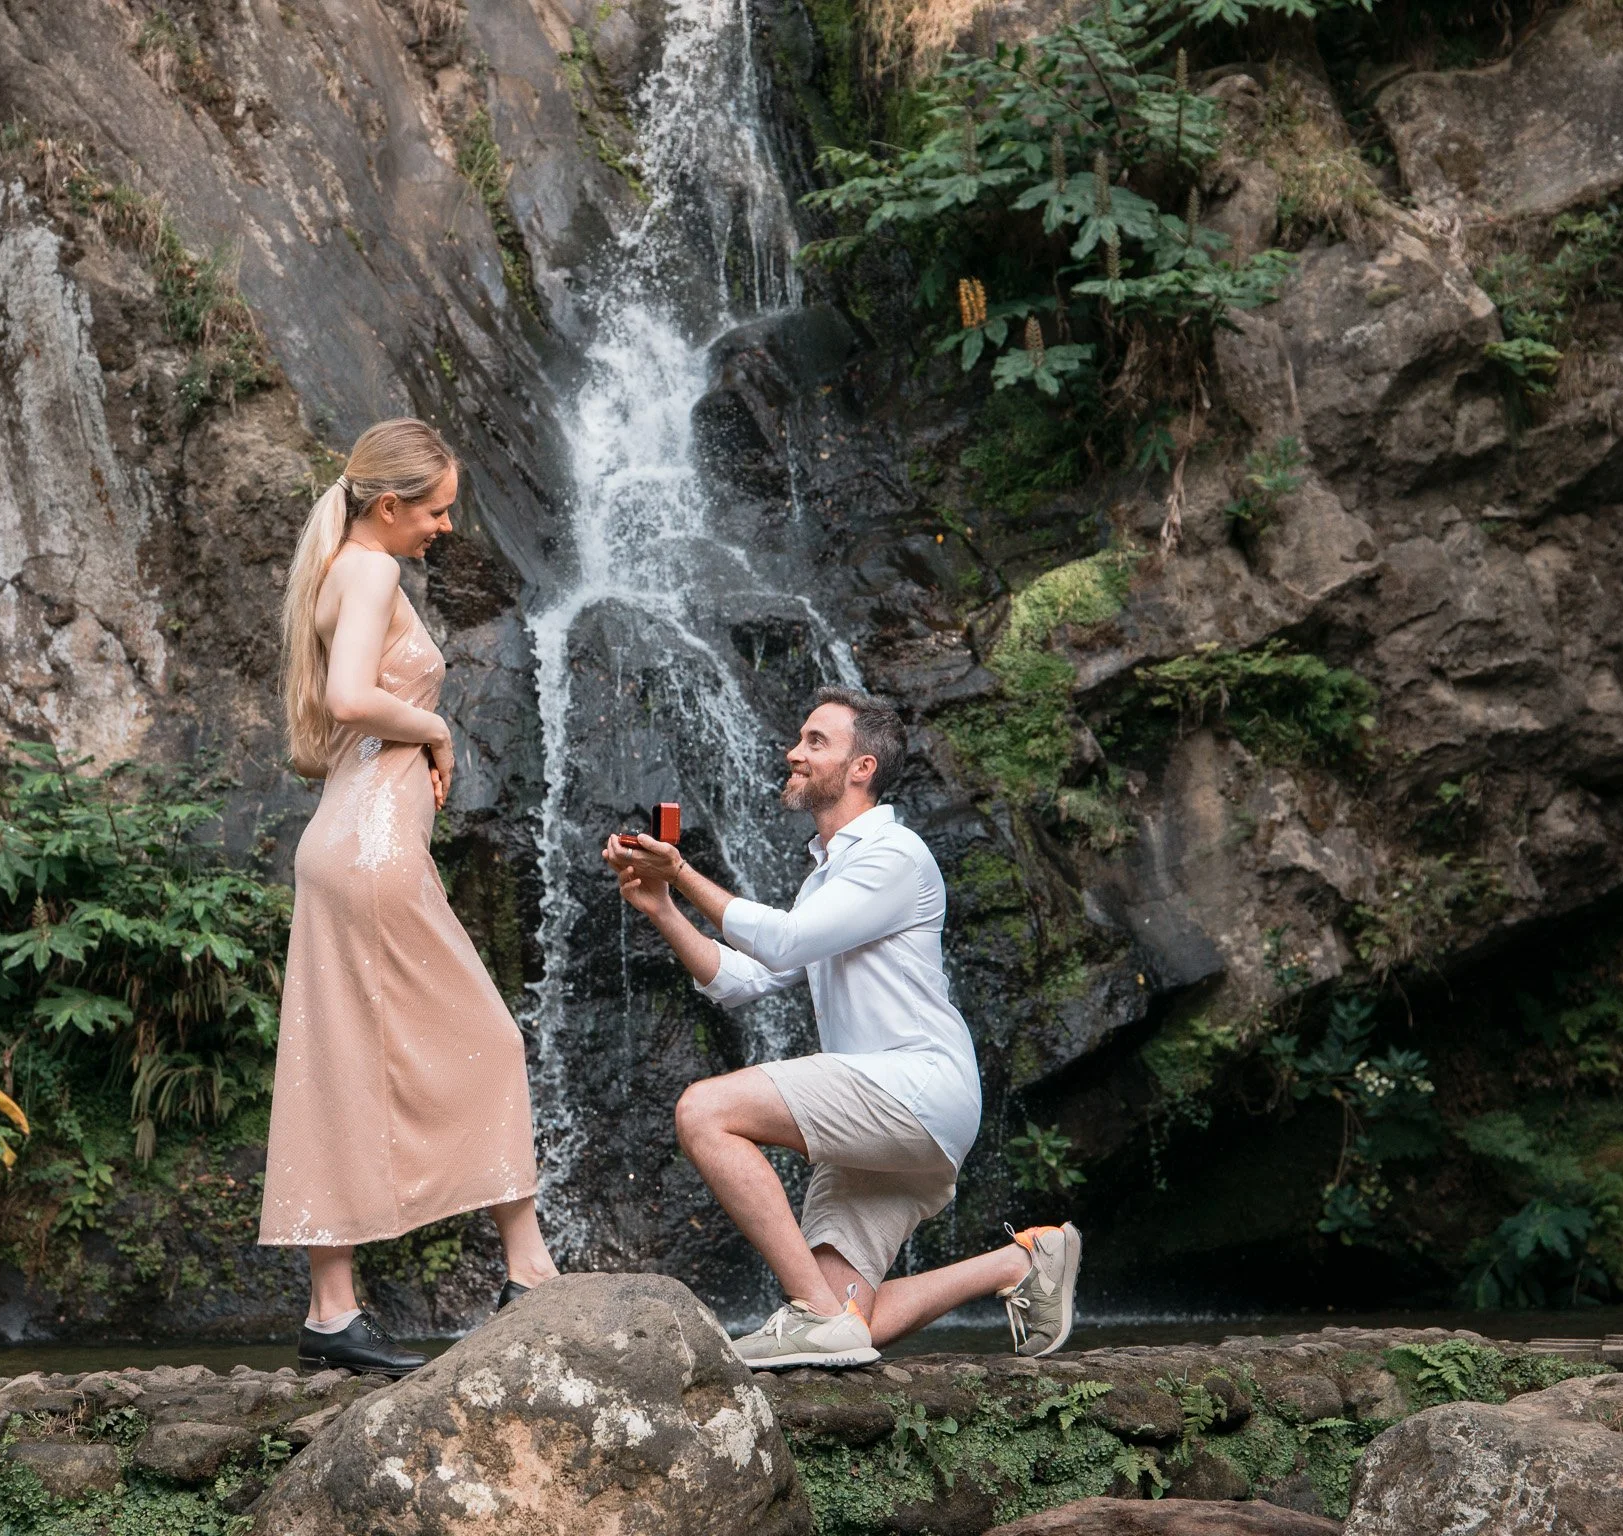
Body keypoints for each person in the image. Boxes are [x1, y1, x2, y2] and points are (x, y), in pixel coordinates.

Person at [603, 687, 1080, 1368]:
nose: (794, 753)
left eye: (816, 742)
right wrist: (662, 907)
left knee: (705, 1111)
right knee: (856, 1319)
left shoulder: (894, 856)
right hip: (888, 1128)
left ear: (862, 768)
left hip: (914, 1089)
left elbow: (789, 942)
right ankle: (1022, 1260)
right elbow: (747, 982)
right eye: (800, 739)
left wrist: (681, 870)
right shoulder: (827, 877)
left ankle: (811, 1316)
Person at [260, 418, 559, 1375]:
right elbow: (351, 698)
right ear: (388, 505)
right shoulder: (374, 572)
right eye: (434, 511)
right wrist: (434, 724)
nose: (443, 527)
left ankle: (330, 1312)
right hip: (374, 847)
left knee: (334, 1059)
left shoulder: (339, 566)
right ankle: (530, 1274)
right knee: (495, 1038)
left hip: (345, 842)